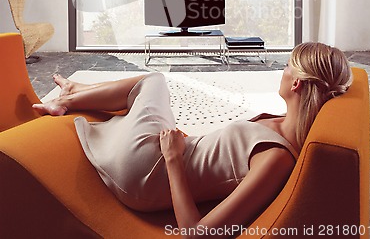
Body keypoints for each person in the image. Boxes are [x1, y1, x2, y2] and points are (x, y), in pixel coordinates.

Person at [32, 42, 352, 237]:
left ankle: (68, 99)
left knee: (153, 81)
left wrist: (172, 159)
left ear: (296, 84)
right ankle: (78, 93)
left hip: (150, 171)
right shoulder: (281, 123)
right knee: (148, 93)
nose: (280, 71)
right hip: (167, 155)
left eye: (285, 67)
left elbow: (197, 235)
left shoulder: (276, 158)